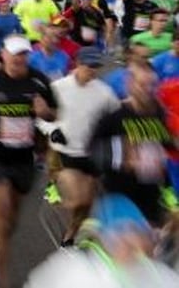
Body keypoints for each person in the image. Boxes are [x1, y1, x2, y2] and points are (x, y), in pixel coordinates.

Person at [0, 34, 57, 288]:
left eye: (24, 54)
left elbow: (55, 112)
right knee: (2, 221)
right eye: (14, 53)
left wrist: (45, 112)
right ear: (3, 54)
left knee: (10, 225)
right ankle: (4, 281)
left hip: (25, 160)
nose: (19, 58)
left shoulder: (38, 80)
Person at [42, 46, 121, 246]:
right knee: (78, 200)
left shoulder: (104, 92)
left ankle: (70, 236)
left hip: (91, 153)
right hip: (65, 152)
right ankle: (54, 187)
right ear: (77, 63)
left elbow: (118, 116)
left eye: (96, 66)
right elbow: (38, 115)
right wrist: (51, 130)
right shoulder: (59, 87)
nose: (93, 70)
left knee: (87, 204)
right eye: (89, 65)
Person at [89, 59, 175, 227]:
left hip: (151, 194)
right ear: (130, 84)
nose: (148, 90)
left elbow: (164, 146)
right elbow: (93, 152)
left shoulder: (159, 114)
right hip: (120, 196)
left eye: (152, 85)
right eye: (143, 85)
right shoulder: (114, 116)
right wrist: (124, 160)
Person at [26, 194, 179, 287]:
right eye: (117, 233)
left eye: (135, 232)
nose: (123, 242)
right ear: (101, 238)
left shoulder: (157, 273)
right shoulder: (73, 268)